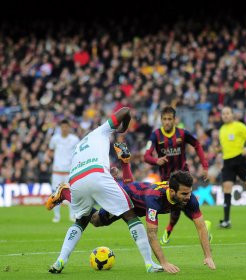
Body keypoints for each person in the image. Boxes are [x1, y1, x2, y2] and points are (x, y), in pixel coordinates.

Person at [47, 143, 216, 273]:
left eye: (189, 193)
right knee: (96, 220)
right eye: (185, 194)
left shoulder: (189, 197)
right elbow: (152, 234)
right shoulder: (155, 200)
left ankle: (124, 163)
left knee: (128, 201)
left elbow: (201, 227)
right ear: (172, 191)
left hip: (134, 191)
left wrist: (208, 256)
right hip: (124, 196)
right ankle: (65, 194)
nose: (189, 197)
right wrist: (164, 262)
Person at [48, 108, 163, 274]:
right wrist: (124, 126)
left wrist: (108, 173)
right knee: (129, 214)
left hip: (75, 180)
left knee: (82, 220)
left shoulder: (79, 145)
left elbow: (87, 166)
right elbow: (125, 110)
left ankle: (60, 260)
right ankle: (149, 263)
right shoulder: (102, 130)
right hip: (96, 175)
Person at [144, 106, 209, 244]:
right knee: (177, 206)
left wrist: (205, 166)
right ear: (161, 120)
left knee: (182, 203)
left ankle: (169, 230)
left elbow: (197, 144)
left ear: (174, 120)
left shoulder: (182, 133)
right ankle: (198, 225)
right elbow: (146, 156)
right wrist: (157, 160)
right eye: (164, 119)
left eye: (169, 119)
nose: (167, 122)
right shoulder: (155, 135)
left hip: (183, 176)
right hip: (166, 178)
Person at [218, 106, 246, 228]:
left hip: (239, 160)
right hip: (227, 162)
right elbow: (225, 146)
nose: (225, 115)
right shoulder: (221, 130)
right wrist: (217, 149)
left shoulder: (239, 126)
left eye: (227, 113)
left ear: (232, 115)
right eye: (223, 114)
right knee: (226, 188)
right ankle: (226, 220)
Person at [44, 119, 79, 222]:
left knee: (72, 193)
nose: (64, 128)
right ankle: (57, 216)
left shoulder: (74, 139)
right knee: (56, 194)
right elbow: (50, 151)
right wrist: (47, 157)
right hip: (57, 171)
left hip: (69, 171)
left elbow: (78, 153)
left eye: (66, 127)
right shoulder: (55, 139)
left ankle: (72, 215)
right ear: (60, 128)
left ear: (69, 127)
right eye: (62, 127)